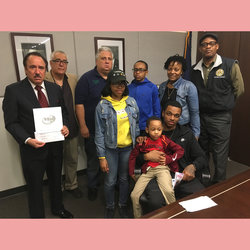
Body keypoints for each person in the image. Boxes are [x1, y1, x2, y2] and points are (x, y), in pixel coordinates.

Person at [2, 52, 73, 218]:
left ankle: (58, 208)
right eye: (32, 67)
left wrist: (66, 126)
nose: (37, 71)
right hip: (32, 149)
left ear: (45, 69)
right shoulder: (14, 90)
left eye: (41, 67)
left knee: (56, 180)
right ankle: (37, 218)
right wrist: (27, 140)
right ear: (25, 69)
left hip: (55, 146)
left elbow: (64, 113)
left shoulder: (55, 88)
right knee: (34, 186)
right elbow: (11, 122)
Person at [190, 33, 244, 183]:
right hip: (201, 117)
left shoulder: (230, 64)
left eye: (211, 44)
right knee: (202, 151)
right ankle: (203, 180)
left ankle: (219, 184)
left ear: (217, 46)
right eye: (204, 44)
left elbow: (239, 89)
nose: (208, 47)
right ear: (200, 48)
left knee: (220, 153)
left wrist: (224, 103)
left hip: (220, 117)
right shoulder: (194, 68)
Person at [136, 100, 207, 214]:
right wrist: (146, 156)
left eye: (176, 115)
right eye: (169, 114)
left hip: (181, 176)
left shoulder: (186, 133)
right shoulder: (150, 134)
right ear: (163, 113)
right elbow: (136, 159)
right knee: (155, 203)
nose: (172, 118)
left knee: (201, 197)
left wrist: (193, 166)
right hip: (157, 177)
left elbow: (202, 157)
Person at [95, 69, 140, 218]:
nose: (119, 87)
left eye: (122, 83)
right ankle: (109, 206)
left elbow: (137, 124)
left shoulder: (131, 102)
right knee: (109, 180)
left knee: (124, 178)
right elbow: (99, 133)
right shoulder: (102, 105)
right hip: (110, 150)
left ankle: (122, 204)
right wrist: (101, 157)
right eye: (116, 84)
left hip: (128, 148)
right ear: (110, 85)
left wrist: (138, 143)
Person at [75, 47, 113, 201]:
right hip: (92, 129)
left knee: (111, 158)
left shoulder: (115, 78)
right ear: (97, 60)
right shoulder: (86, 79)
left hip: (113, 130)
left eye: (109, 59)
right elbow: (79, 104)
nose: (106, 62)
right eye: (103, 58)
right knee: (93, 160)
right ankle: (92, 186)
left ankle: (111, 184)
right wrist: (83, 126)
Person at [129, 116, 184, 218]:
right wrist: (131, 172)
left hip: (162, 169)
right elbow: (133, 156)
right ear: (147, 130)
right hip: (148, 171)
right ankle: (138, 218)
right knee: (134, 195)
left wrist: (169, 159)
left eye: (159, 129)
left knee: (168, 191)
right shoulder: (144, 142)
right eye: (153, 129)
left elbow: (180, 150)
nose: (156, 132)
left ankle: (175, 215)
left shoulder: (164, 140)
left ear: (162, 129)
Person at [45, 50, 82, 199]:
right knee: (54, 161)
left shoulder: (73, 79)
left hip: (71, 125)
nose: (61, 64)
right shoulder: (44, 78)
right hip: (51, 129)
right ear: (51, 63)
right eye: (57, 61)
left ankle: (71, 185)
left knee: (72, 158)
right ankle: (56, 187)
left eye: (64, 61)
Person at [159, 55, 200, 139]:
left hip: (182, 128)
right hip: (164, 129)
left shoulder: (189, 86)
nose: (172, 72)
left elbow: (194, 112)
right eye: (170, 69)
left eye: (176, 69)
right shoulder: (163, 86)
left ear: (182, 71)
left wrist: (196, 134)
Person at [128, 60, 161, 135]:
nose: (137, 72)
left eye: (141, 70)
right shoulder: (128, 88)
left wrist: (156, 126)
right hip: (131, 126)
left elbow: (156, 109)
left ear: (146, 72)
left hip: (146, 127)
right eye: (135, 70)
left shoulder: (152, 87)